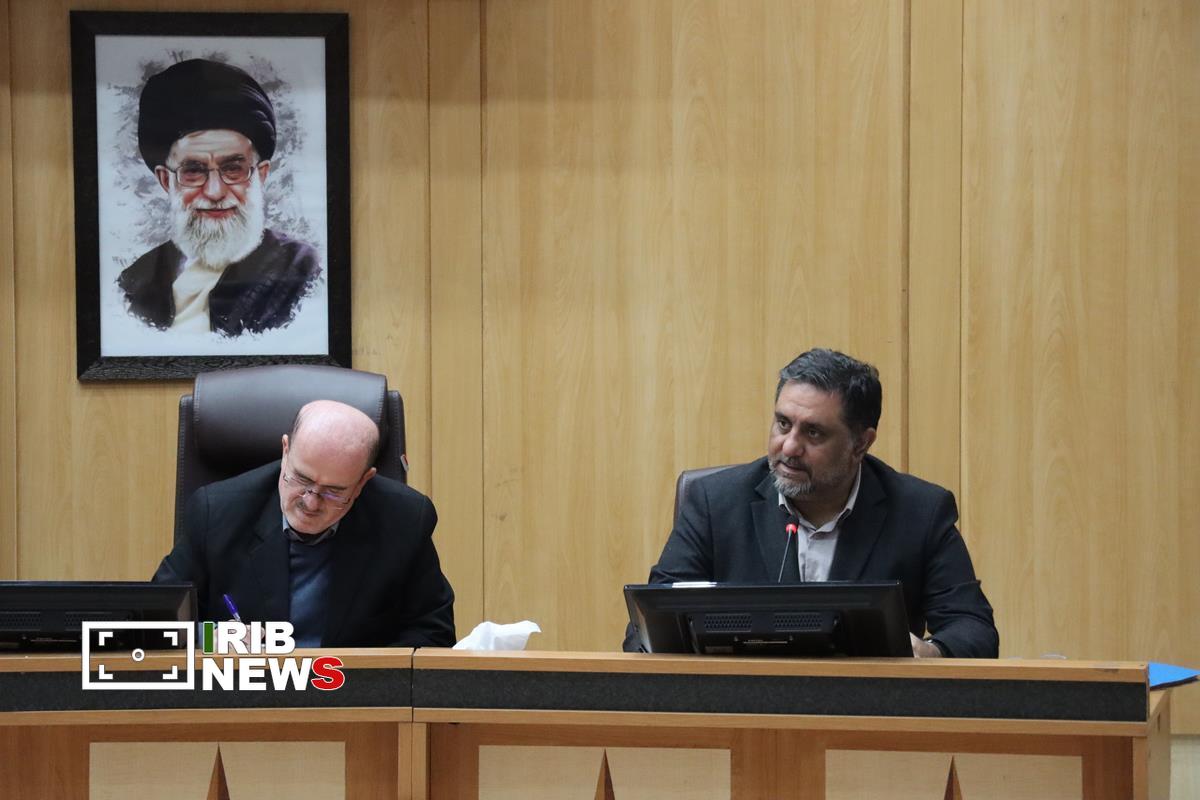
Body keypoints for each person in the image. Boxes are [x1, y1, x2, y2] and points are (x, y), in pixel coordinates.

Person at [623, 348, 998, 658]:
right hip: (741, 708)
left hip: (863, 713)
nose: (789, 447)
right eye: (783, 424)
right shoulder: (716, 503)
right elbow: (644, 629)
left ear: (861, 444)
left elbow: (974, 629)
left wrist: (932, 651)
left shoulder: (920, 512)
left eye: (814, 432)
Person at [154, 399, 455, 648]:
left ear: (363, 482)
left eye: (333, 491)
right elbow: (155, 623)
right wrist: (210, 638)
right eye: (301, 479)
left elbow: (433, 634)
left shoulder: (405, 519)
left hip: (349, 693)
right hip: (245, 690)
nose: (310, 503)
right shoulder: (217, 511)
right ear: (285, 451)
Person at [118, 58, 320, 336]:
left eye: (233, 169)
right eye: (193, 171)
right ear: (166, 180)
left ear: (261, 175)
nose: (215, 192)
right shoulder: (134, 283)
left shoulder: (303, 272)